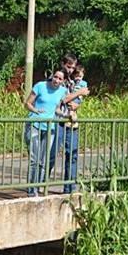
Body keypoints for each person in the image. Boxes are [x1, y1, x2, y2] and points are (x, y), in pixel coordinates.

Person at [24, 69, 76, 197]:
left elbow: (57, 109)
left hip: (50, 127)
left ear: (63, 81)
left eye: (60, 79)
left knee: (43, 160)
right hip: (35, 124)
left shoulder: (62, 91)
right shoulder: (40, 86)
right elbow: (27, 103)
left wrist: (66, 115)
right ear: (52, 77)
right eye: (55, 77)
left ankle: (38, 186)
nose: (56, 80)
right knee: (34, 159)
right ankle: (32, 190)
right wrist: (36, 111)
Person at [60, 64, 88, 194]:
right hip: (60, 121)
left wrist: (77, 103)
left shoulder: (79, 84)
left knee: (72, 155)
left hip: (72, 122)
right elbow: (64, 99)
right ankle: (38, 186)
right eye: (70, 68)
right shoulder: (61, 81)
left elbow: (79, 99)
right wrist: (79, 93)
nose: (71, 71)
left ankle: (70, 188)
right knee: (51, 156)